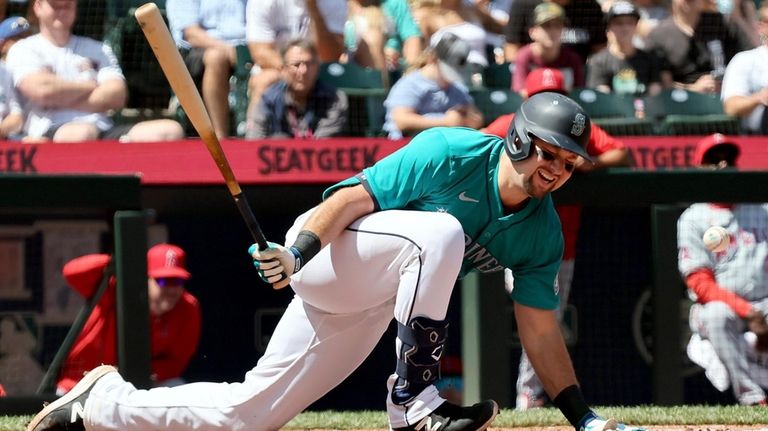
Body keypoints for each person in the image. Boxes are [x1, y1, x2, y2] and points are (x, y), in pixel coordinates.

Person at [26, 92, 647, 431]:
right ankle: (414, 406)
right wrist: (295, 253)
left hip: (378, 291)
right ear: (517, 139)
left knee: (249, 416)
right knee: (442, 233)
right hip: (328, 245)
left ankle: (100, 403)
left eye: (570, 163)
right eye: (551, 154)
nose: (560, 170)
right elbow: (350, 199)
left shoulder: (538, 230)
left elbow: (539, 327)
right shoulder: (452, 149)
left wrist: (582, 417)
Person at [482, 67, 631, 410]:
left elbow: (621, 152)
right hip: (498, 234)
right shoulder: (510, 123)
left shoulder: (572, 131)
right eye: (539, 96)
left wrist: (577, 165)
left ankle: (529, 398)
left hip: (555, 246)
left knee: (545, 319)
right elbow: (479, 144)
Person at [4, 0, 184, 143]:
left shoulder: (97, 48)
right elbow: (42, 91)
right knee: (80, 134)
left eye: (67, 4)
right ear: (38, 7)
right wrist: (91, 86)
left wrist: (60, 96)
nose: (62, 10)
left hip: (103, 129)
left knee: (170, 130)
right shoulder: (24, 48)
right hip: (51, 131)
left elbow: (117, 96)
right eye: (55, 5)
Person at [677, 133, 768, 406]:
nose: (722, 165)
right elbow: (700, 284)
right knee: (715, 315)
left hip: (764, 302)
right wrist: (749, 312)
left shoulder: (761, 209)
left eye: (727, 159)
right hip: (727, 307)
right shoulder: (694, 217)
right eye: (713, 160)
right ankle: (753, 399)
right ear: (700, 168)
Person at [56, 243, 201, 395]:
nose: (171, 289)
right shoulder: (116, 293)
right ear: (145, 279)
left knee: (179, 389)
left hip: (141, 385)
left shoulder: (188, 308)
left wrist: (135, 373)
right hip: (85, 381)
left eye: (178, 281)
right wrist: (115, 262)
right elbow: (71, 272)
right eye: (163, 281)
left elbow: (176, 361)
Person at [245, 0, 347, 134]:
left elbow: (331, 54)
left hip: (318, 69)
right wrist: (291, 69)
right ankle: (254, 143)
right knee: (263, 80)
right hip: (278, 68)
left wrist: (313, 9)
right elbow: (259, 51)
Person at [166, 0, 247, 139]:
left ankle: (257, 136)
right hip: (199, 51)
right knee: (216, 58)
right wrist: (228, 51)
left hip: (248, 48)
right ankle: (220, 138)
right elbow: (191, 34)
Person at [382, 33, 483, 139]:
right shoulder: (410, 84)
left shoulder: (458, 87)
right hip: (408, 146)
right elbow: (401, 121)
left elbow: (477, 119)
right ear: (433, 59)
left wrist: (467, 118)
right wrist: (445, 121)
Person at [247, 39, 349, 138]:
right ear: (283, 70)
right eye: (296, 65)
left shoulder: (334, 99)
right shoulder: (268, 100)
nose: (303, 71)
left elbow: (325, 145)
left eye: (308, 64)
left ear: (318, 67)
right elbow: (255, 139)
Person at [646, 0, 751, 94]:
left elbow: (749, 58)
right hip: (684, 105)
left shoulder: (722, 23)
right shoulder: (660, 35)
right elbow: (661, 84)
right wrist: (692, 89)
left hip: (727, 97)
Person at [586, 1, 664, 96]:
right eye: (619, 23)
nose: (625, 28)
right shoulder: (598, 61)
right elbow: (601, 97)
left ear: (636, 27)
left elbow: (655, 93)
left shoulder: (649, 59)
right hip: (612, 110)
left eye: (630, 23)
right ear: (608, 28)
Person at [511, 2, 585, 96]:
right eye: (546, 26)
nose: (552, 31)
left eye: (557, 26)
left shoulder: (573, 59)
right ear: (532, 32)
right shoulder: (524, 57)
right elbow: (519, 92)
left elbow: (579, 93)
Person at [503, 0, 607, 63]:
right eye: (546, 26)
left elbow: (601, 52)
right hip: (533, 73)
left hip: (575, 75)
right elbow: (512, 50)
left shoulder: (589, 7)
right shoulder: (524, 4)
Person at [720, 2, 768, 135]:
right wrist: (760, 97)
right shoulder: (745, 60)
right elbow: (731, 107)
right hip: (757, 138)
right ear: (761, 26)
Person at [344, 0, 423, 77]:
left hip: (390, 69)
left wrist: (410, 75)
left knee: (374, 37)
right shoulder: (339, 5)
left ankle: (378, 85)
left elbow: (412, 39)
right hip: (347, 63)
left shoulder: (395, 3)